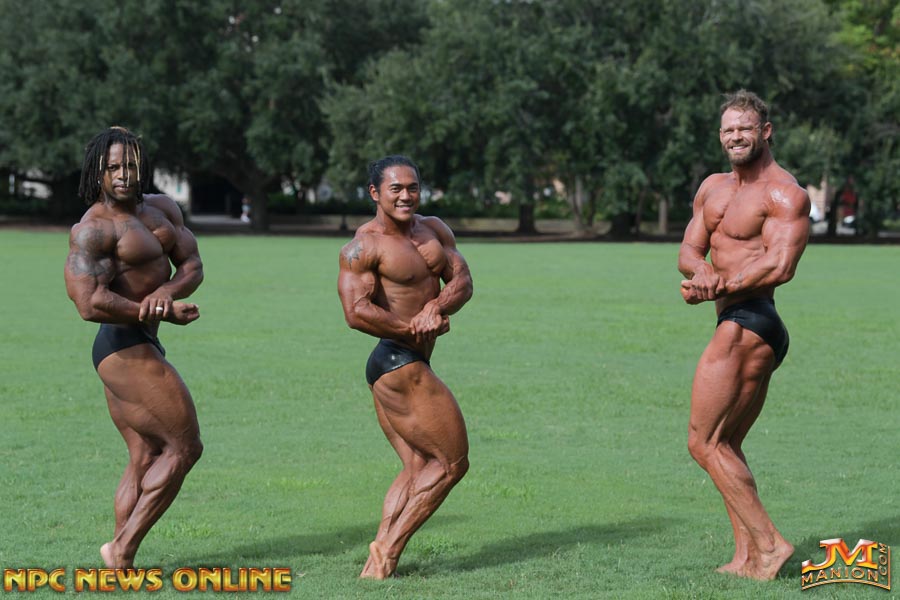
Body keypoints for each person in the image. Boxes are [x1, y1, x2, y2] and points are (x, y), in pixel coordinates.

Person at [678, 90, 810, 580]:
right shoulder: (712, 188)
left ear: (765, 132)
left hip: (752, 320)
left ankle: (770, 545)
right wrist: (702, 275)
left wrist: (722, 284)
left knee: (703, 442)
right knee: (726, 443)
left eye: (745, 129)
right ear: (721, 136)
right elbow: (689, 251)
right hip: (734, 318)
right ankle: (747, 557)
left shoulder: (785, 194)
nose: (736, 137)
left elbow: (780, 265)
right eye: (729, 130)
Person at [64, 127, 204, 568]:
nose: (123, 175)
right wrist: (156, 311)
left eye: (130, 166)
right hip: (121, 346)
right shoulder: (93, 230)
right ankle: (121, 549)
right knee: (184, 447)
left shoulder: (162, 209)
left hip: (141, 338)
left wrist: (166, 292)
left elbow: (192, 264)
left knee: (144, 455)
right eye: (113, 167)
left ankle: (119, 561)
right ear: (98, 172)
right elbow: (89, 303)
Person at [337, 155, 473, 579]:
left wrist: (435, 307)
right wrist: (412, 327)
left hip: (403, 361)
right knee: (451, 464)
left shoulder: (434, 230)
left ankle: (374, 564)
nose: (405, 195)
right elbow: (356, 312)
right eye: (395, 188)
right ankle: (389, 552)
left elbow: (463, 281)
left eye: (412, 187)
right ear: (375, 193)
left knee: (417, 467)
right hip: (398, 362)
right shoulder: (365, 245)